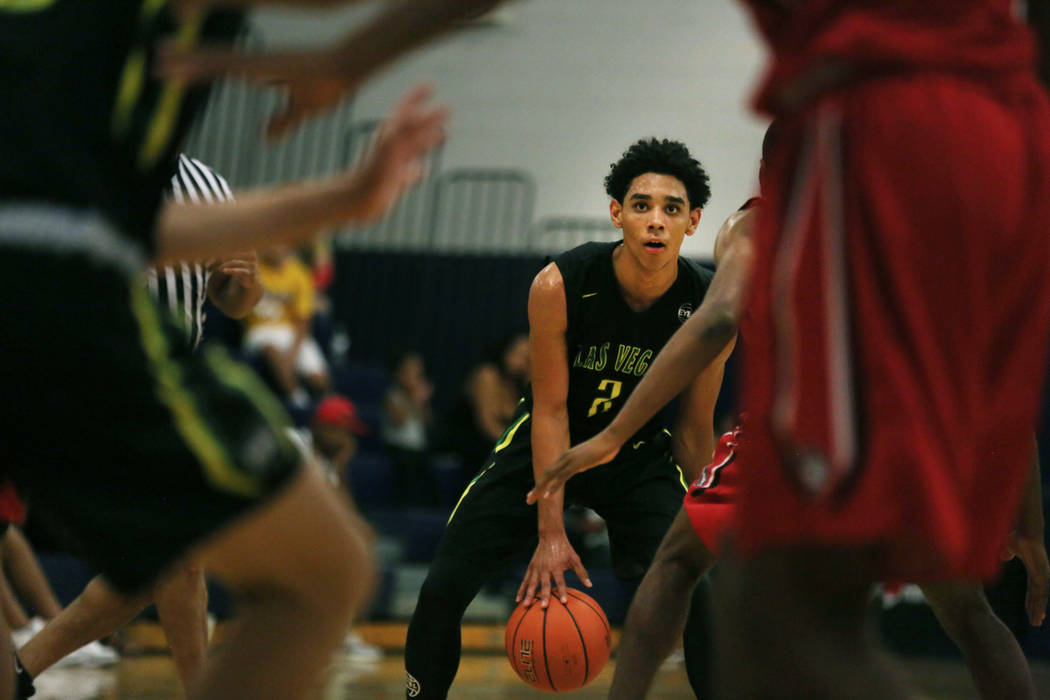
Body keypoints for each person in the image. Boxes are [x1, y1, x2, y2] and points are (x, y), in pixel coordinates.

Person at [0, 0, 491, 696]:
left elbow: (129, 228)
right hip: (68, 314)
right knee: (317, 573)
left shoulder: (133, 152)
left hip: (78, 303)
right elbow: (74, 226)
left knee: (215, 560)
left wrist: (340, 195)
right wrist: (355, 56)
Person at [534, 138, 1050, 698]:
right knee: (970, 615)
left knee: (677, 564)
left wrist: (613, 433)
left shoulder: (753, 228)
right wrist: (1030, 526)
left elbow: (714, 324)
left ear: (765, 171)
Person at [404, 138, 726, 699]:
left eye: (671, 209)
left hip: (637, 458)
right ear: (616, 213)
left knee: (707, 591)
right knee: (443, 587)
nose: (655, 221)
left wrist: (711, 522)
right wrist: (551, 533)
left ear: (693, 222)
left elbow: (696, 429)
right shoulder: (561, 284)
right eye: (641, 205)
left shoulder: (709, 305)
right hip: (545, 448)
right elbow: (550, 410)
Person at [12, 154, 267, 696]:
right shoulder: (80, 161)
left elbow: (238, 301)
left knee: (169, 562)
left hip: (167, 397)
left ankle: (21, 670)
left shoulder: (209, 185)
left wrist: (240, 284)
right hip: (92, 387)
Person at [242, 245, 330, 406]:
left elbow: (304, 320)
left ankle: (326, 411)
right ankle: (298, 403)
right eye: (273, 245)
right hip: (260, 329)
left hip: (291, 331)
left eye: (282, 246)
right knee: (273, 352)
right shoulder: (251, 271)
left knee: (319, 379)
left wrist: (293, 352)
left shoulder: (300, 273)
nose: (277, 249)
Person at [382, 349, 435, 507]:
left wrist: (422, 403)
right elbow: (399, 420)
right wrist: (415, 400)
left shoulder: (420, 399)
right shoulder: (392, 396)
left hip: (417, 448)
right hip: (397, 446)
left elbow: (428, 422)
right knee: (407, 470)